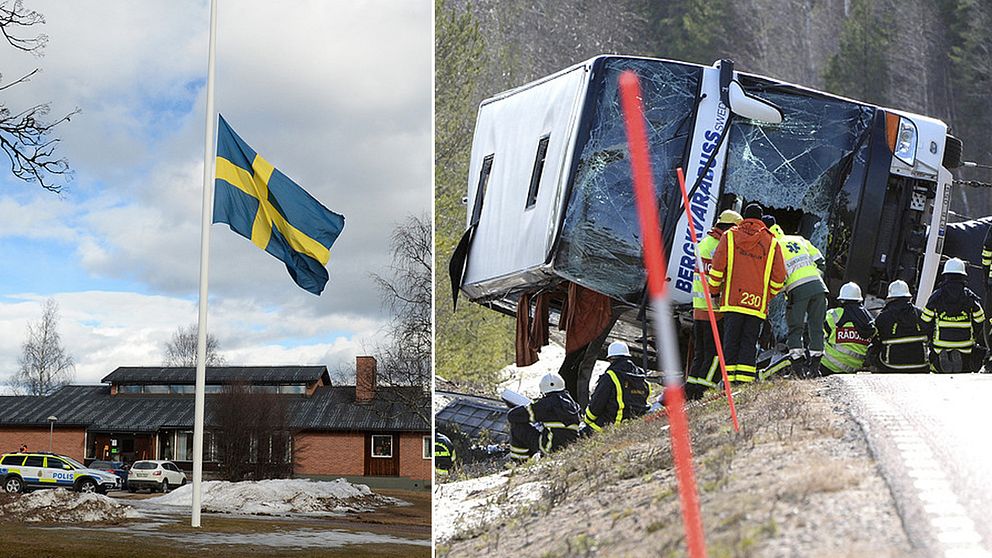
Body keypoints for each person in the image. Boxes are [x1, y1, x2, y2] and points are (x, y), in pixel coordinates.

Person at [707, 203, 786, 383]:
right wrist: (768, 295)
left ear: (744, 217)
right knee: (749, 343)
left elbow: (717, 268)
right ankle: (743, 382)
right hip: (756, 304)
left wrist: (714, 293)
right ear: (760, 219)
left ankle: (727, 382)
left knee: (730, 341)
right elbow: (779, 277)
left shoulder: (729, 236)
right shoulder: (772, 242)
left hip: (732, 301)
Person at [685, 209, 742, 399]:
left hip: (698, 307)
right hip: (714, 308)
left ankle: (691, 387)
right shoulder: (719, 246)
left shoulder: (704, 243)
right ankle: (704, 388)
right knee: (715, 352)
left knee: (700, 352)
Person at [765, 224, 828, 379]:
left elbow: (777, 277)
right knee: (817, 327)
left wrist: (781, 289)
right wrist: (813, 278)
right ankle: (814, 368)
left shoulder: (774, 246)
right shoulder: (800, 239)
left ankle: (797, 369)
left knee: (796, 329)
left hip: (798, 290)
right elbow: (821, 263)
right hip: (819, 287)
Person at [921, 257, 987, 373]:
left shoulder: (936, 296)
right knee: (968, 361)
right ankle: (961, 364)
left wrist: (931, 337)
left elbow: (925, 321)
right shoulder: (969, 296)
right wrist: (974, 335)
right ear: (963, 276)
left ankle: (940, 364)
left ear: (945, 274)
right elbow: (980, 319)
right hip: (965, 344)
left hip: (940, 344)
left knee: (935, 359)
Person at [508, 372, 582, 462]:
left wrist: (530, 405)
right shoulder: (572, 403)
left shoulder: (546, 404)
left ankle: (520, 461)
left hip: (551, 449)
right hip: (572, 447)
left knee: (517, 427)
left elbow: (512, 415)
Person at [584, 341, 650, 431]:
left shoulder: (610, 376)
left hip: (614, 423)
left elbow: (597, 404)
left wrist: (587, 421)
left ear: (610, 358)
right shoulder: (640, 374)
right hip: (638, 421)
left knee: (582, 433)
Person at [868, 280, 929, 373]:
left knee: (871, 350)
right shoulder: (920, 314)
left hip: (891, 365)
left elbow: (875, 340)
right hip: (920, 365)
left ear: (890, 298)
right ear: (909, 298)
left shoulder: (883, 317)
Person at [821, 282, 876, 375]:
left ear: (841, 300)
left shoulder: (834, 315)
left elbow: (817, 334)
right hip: (853, 369)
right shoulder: (869, 320)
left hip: (829, 365)